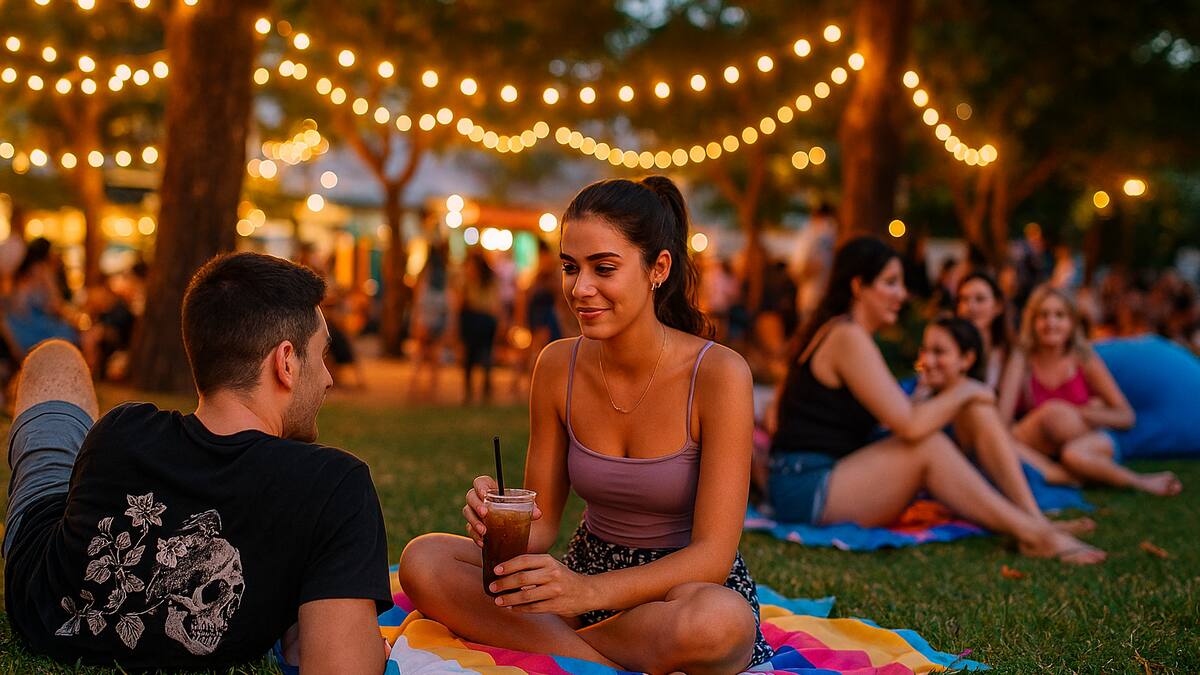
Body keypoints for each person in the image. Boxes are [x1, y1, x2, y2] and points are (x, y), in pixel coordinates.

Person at [399, 176, 773, 674]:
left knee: (717, 624)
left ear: (658, 268)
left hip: (679, 591)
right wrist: (498, 526)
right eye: (570, 268)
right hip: (580, 574)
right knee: (422, 561)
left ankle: (564, 649)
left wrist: (584, 593)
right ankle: (600, 656)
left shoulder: (720, 374)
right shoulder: (557, 366)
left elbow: (712, 558)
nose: (580, 289)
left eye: (604, 268)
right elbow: (541, 529)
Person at [3, 253, 391, 671]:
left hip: (40, 599)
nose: (329, 377)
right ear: (285, 363)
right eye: (320, 356)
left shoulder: (122, 429)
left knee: (55, 358)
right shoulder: (334, 486)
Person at [766, 237, 1103, 564]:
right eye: (891, 283)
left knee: (974, 409)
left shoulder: (851, 335)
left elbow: (897, 415)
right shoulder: (846, 336)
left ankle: (1035, 521)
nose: (902, 294)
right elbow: (911, 427)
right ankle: (1033, 534)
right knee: (930, 444)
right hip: (806, 488)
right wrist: (965, 389)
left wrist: (962, 396)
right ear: (858, 287)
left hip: (834, 471)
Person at [917, 315, 1096, 534]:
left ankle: (1037, 522)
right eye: (924, 351)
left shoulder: (974, 399)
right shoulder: (919, 390)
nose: (927, 360)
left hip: (985, 475)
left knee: (1045, 469)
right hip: (950, 481)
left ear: (966, 359)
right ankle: (1038, 522)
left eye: (939, 352)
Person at [998, 284, 1181, 496]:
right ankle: (1062, 475)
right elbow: (1001, 420)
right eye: (1043, 315)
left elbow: (1126, 416)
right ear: (1031, 322)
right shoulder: (1022, 359)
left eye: (1059, 315)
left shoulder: (1084, 358)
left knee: (1074, 454)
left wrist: (1079, 412)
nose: (1051, 323)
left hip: (1088, 438)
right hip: (1041, 445)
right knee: (1003, 440)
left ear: (1072, 322)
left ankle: (1140, 482)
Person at [4, 237, 78, 352]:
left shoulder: (20, 274)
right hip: (36, 331)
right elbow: (55, 304)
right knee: (72, 333)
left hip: (18, 331)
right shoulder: (41, 270)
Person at [956, 272, 1013, 390]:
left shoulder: (1009, 352)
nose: (970, 307)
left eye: (980, 299)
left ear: (998, 306)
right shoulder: (950, 350)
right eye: (964, 299)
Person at [410, 243, 452, 398]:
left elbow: (418, 302)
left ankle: (415, 386)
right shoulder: (443, 275)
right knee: (434, 355)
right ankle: (432, 388)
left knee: (421, 355)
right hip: (437, 318)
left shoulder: (425, 275)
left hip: (425, 319)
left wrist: (415, 322)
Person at [458, 251, 500, 403]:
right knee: (469, 356)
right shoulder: (467, 281)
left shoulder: (489, 280)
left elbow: (494, 303)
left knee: (485, 355)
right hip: (472, 319)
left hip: (484, 320)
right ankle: (470, 390)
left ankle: (486, 387)